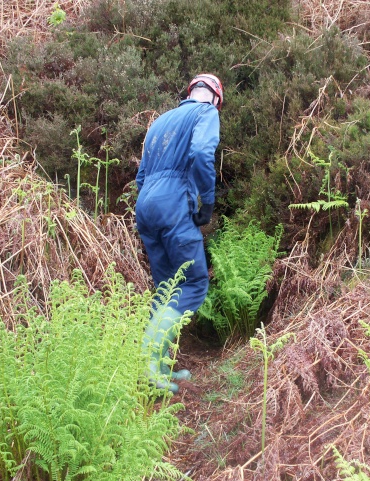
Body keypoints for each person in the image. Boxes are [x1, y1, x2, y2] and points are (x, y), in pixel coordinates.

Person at [136, 73, 223, 393]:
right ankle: (148, 364)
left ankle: (158, 370)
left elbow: (141, 176)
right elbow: (202, 153)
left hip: (146, 206)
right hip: (173, 205)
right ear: (215, 97)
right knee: (193, 282)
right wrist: (207, 203)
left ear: (190, 92)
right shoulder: (206, 113)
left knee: (168, 287)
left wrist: (153, 204)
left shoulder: (159, 122)